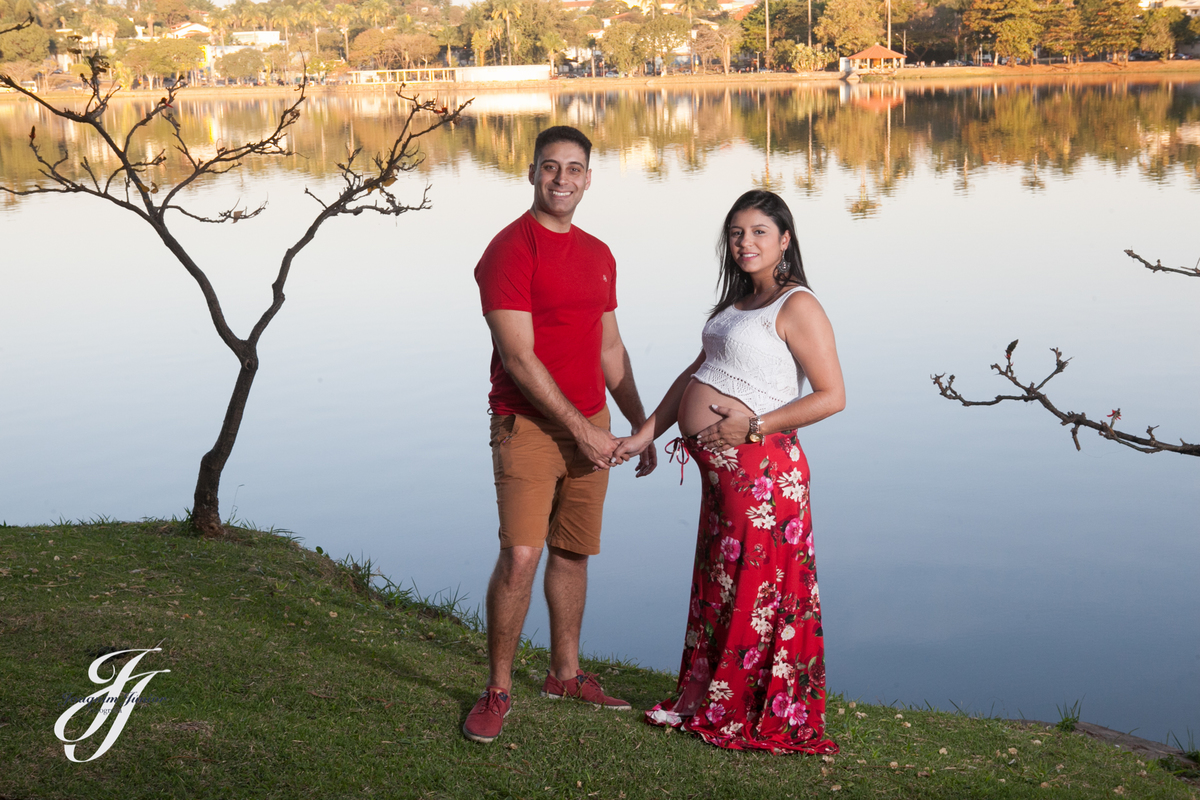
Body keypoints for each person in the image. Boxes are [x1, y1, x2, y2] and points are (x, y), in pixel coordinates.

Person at [614, 189, 845, 753]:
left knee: (752, 586)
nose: (745, 242)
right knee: (722, 583)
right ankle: (711, 696)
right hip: (725, 476)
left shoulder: (797, 306)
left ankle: (743, 707)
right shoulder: (738, 304)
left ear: (785, 240)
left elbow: (832, 395)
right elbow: (699, 371)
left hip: (763, 472)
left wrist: (756, 425)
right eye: (737, 233)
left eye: (760, 232)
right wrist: (646, 433)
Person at [464, 126, 658, 744]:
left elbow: (609, 346)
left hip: (594, 428)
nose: (562, 180)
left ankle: (565, 674)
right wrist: (580, 429)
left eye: (575, 169)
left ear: (589, 179)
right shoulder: (509, 251)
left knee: (572, 552)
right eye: (551, 168)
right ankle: (497, 690)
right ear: (531, 173)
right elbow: (518, 357)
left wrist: (638, 424)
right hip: (526, 425)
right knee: (521, 555)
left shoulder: (600, 255)